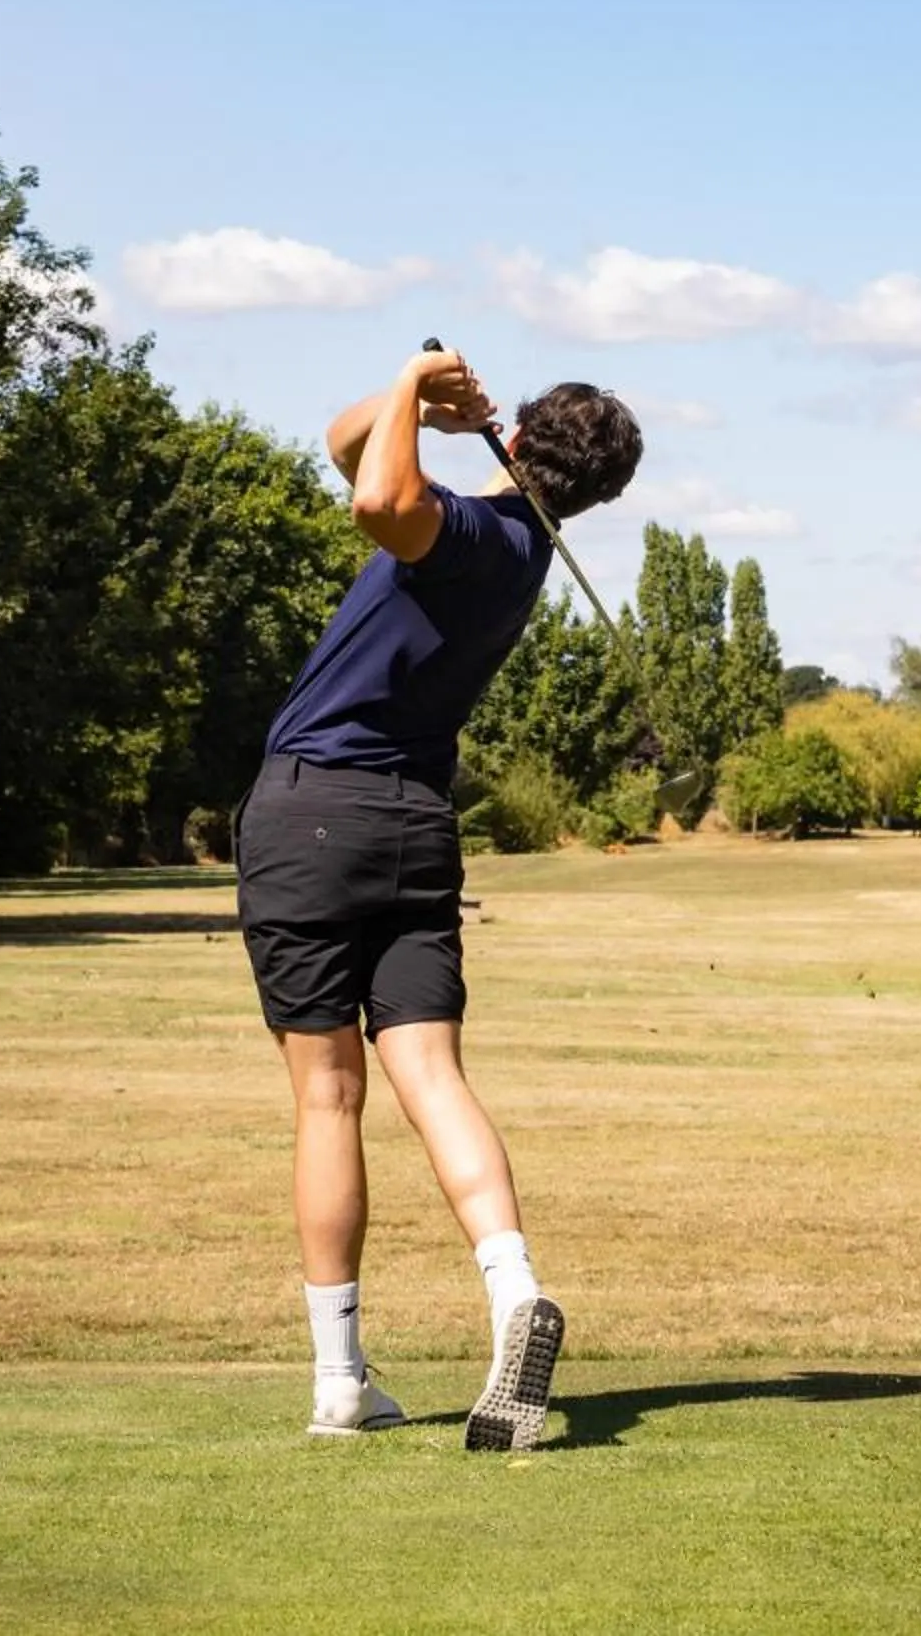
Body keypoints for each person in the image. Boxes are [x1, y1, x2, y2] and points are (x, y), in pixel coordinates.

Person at [234, 344, 642, 1452]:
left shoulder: (466, 530)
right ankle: (514, 1295)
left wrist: (419, 385)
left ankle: (338, 1380)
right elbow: (344, 448)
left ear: (516, 442)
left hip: (312, 811)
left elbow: (375, 496)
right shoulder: (514, 547)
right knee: (429, 1069)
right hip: (414, 822)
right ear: (597, 496)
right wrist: (409, 398)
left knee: (326, 1099)